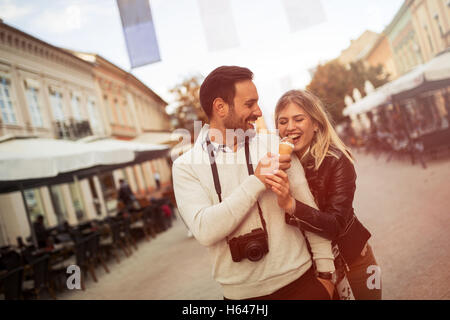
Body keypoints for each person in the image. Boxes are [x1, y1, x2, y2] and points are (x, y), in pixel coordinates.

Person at [172, 66, 336, 300]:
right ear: (220, 107)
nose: (258, 111)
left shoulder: (274, 146)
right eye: (250, 104)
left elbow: (308, 209)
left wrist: (326, 275)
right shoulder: (185, 166)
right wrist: (257, 180)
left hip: (302, 283)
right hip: (241, 297)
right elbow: (205, 231)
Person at [266, 89, 381, 300]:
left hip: (354, 259)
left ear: (316, 124)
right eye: (282, 121)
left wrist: (291, 204)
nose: (289, 127)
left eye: (298, 119)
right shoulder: (277, 165)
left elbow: (336, 224)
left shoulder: (337, 160)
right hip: (313, 269)